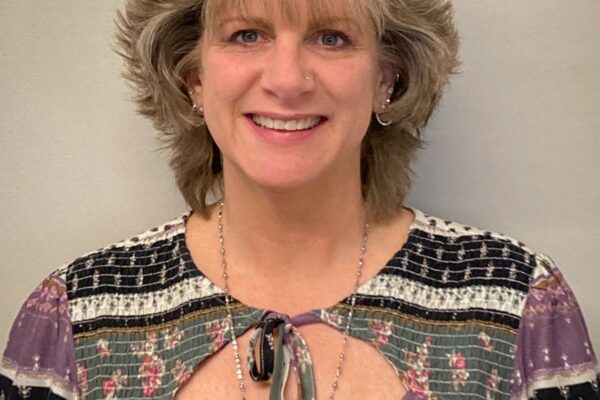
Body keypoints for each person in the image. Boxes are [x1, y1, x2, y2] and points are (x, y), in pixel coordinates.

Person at [1, 0, 598, 399]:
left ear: (386, 79)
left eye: (331, 37)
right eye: (247, 34)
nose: (287, 79)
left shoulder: (515, 303)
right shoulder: (76, 318)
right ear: (193, 79)